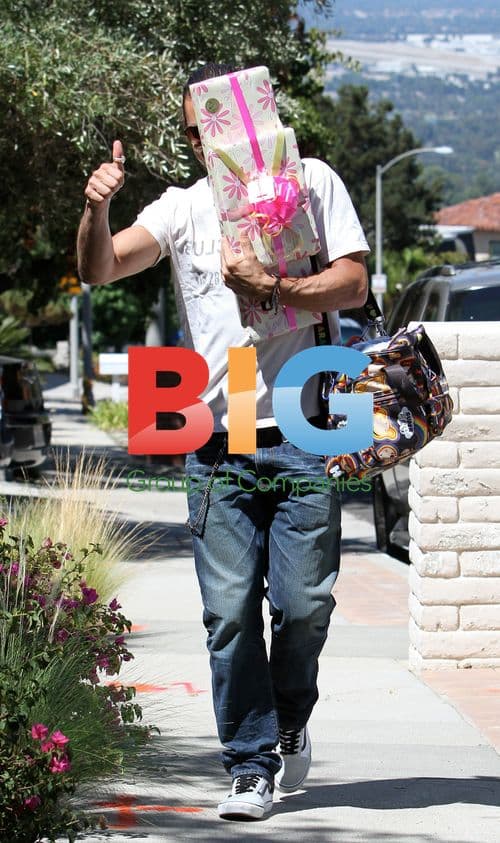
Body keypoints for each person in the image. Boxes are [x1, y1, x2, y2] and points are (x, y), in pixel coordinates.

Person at [77, 62, 369, 821]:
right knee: (231, 612)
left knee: (304, 605)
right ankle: (249, 762)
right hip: (216, 429)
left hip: (307, 419)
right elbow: (98, 267)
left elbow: (353, 284)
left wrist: (271, 289)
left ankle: (287, 714)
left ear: (259, 114)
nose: (211, 135)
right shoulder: (181, 208)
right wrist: (96, 211)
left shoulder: (312, 184)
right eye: (197, 124)